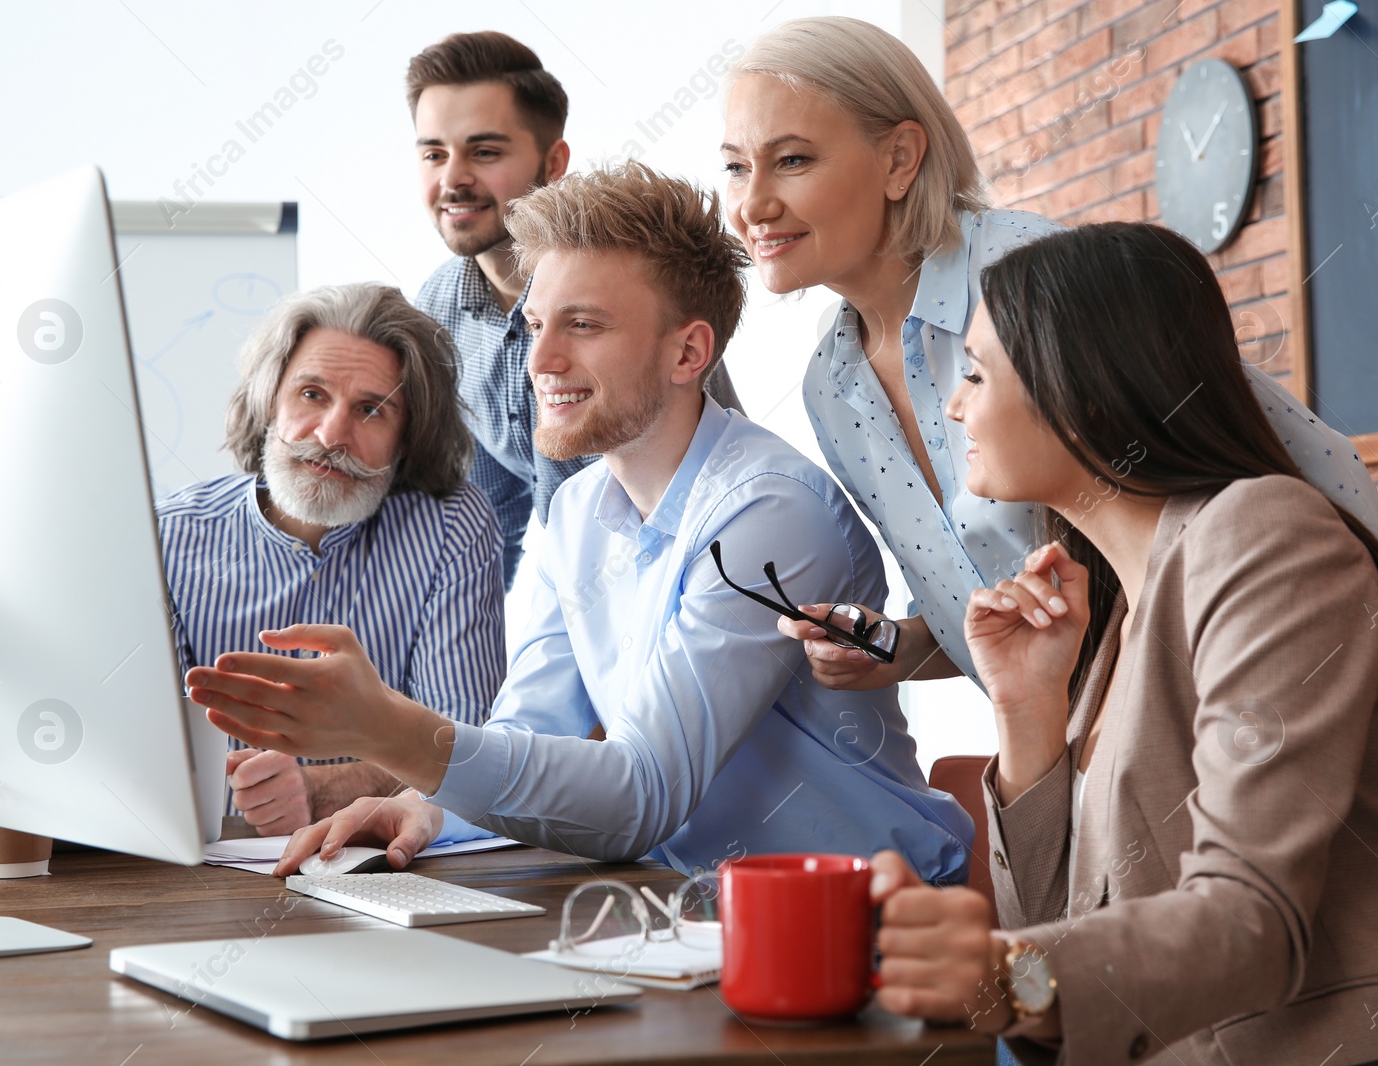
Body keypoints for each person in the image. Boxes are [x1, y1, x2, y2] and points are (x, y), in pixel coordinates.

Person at [185, 163, 973, 881]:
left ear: (688, 352)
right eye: (535, 326)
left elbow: (643, 792)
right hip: (686, 909)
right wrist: (431, 809)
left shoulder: (771, 510)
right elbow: (534, 726)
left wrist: (387, 728)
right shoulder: (577, 510)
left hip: (874, 923)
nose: (540, 362)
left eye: (584, 326)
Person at [867, 222, 1378, 1061]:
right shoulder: (1114, 619)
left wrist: (1000, 976)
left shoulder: (1265, 536)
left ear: (1087, 391)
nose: (954, 404)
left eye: (973, 372)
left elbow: (1252, 922)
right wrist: (1028, 714)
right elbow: (1064, 938)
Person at [719, 16, 1378, 691]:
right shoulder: (831, 387)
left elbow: (1270, 446)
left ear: (900, 158)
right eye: (733, 167)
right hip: (1075, 752)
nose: (752, 204)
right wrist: (897, 647)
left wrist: (1374, 663)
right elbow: (991, 598)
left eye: (791, 160)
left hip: (1209, 709)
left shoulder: (1027, 273)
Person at [157, 283, 505, 836]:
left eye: (371, 410)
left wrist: (321, 790)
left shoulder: (451, 528)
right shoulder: (168, 537)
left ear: (407, 440)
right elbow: (147, 758)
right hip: (196, 870)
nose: (331, 435)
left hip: (385, 866)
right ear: (270, 400)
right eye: (312, 394)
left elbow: (464, 749)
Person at [409, 31, 744, 588]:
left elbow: (715, 475)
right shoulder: (440, 308)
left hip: (692, 576)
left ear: (554, 161)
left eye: (484, 151)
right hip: (576, 594)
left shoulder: (626, 288)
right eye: (433, 154)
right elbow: (491, 512)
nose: (453, 178)